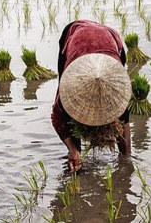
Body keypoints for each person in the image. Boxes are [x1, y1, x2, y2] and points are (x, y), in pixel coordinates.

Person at [51, 20, 132, 172]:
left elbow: (124, 117)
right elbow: (57, 117)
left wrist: (126, 161)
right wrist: (72, 150)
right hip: (76, 35)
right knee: (69, 113)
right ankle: (76, 156)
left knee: (119, 108)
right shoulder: (71, 84)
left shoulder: (119, 86)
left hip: (110, 38)